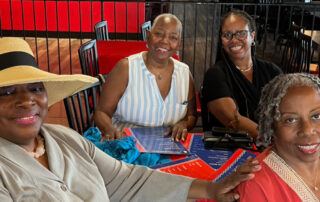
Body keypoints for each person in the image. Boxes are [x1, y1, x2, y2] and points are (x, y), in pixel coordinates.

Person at [0, 37, 262, 201]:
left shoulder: (64, 138)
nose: (26, 101)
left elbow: (126, 180)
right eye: (7, 92)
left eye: (35, 88)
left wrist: (210, 190)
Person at [93, 13, 197, 142]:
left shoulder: (184, 73)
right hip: (126, 146)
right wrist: (110, 130)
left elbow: (191, 115)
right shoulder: (126, 68)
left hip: (168, 147)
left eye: (173, 37)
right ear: (148, 36)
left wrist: (184, 124)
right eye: (158, 34)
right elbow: (101, 112)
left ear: (179, 44)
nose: (165, 41)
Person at [237, 73, 320, 201]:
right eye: (290, 120)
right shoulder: (257, 186)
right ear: (272, 127)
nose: (307, 130)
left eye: (316, 116)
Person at [202, 10, 282, 139]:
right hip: (230, 149)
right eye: (227, 35)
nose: (234, 40)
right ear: (221, 40)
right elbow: (234, 121)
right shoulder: (215, 75)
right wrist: (273, 141)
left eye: (241, 33)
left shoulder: (272, 71)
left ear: (252, 36)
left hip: (274, 145)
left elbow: (287, 111)